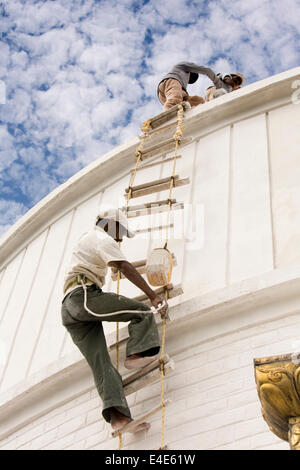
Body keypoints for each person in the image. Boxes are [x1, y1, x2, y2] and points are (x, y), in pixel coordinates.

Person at [61, 208, 168, 433]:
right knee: (141, 312)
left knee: (101, 363)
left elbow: (108, 266)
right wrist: (153, 296)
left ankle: (119, 419)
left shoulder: (87, 239)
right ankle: (136, 354)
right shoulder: (102, 237)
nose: (120, 239)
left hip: (69, 309)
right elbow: (125, 267)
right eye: (120, 233)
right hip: (84, 297)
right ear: (110, 224)